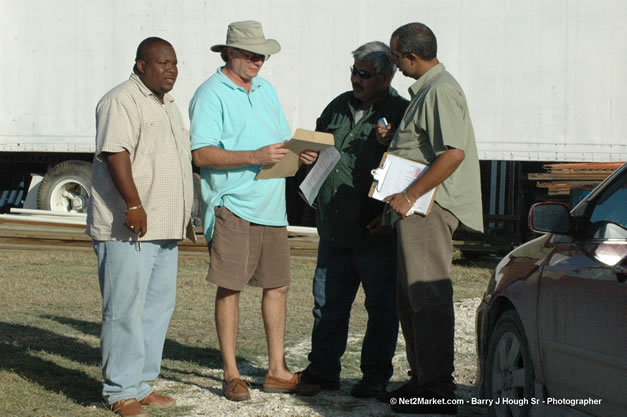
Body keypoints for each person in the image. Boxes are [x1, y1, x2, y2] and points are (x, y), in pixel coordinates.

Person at [188, 20, 319, 401]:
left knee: (277, 287)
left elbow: (279, 145)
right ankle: (231, 373)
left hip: (272, 206)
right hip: (232, 205)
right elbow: (201, 154)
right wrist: (255, 156)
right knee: (230, 288)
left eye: (262, 55)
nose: (258, 61)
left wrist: (302, 155)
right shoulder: (210, 93)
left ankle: (276, 371)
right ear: (229, 53)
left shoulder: (266, 89)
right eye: (251, 54)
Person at [86, 37, 195, 417]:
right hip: (127, 226)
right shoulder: (121, 100)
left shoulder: (168, 104)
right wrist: (133, 203)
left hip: (163, 225)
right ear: (140, 65)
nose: (171, 70)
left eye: (175, 63)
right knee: (124, 310)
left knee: (156, 308)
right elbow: (117, 153)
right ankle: (119, 391)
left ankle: (141, 383)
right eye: (162, 63)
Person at [381, 23, 484, 415]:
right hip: (417, 207)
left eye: (396, 57)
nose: (395, 64)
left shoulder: (440, 90)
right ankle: (423, 379)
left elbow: (452, 153)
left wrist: (409, 195)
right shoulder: (427, 90)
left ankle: (438, 388)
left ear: (411, 56)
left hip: (429, 207)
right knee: (411, 298)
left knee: (427, 296)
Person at [298, 41, 408, 398]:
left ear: (387, 76)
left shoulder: (401, 112)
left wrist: (391, 143)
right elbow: (317, 146)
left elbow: (411, 169)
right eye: (353, 72)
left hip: (373, 229)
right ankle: (323, 370)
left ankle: (375, 376)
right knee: (327, 304)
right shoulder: (338, 106)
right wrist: (309, 156)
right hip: (333, 227)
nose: (356, 80)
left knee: (380, 308)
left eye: (364, 74)